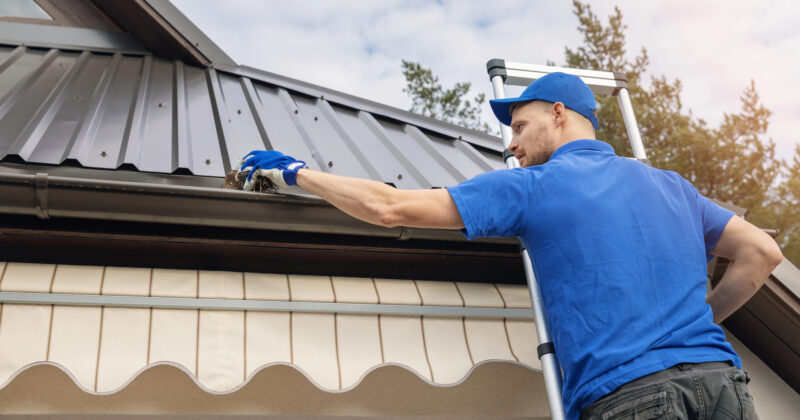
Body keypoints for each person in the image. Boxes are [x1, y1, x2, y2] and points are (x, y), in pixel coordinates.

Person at [237, 72, 782, 420]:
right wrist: (695, 322)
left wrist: (296, 173)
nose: (513, 146)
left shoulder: (534, 187)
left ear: (561, 115)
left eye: (520, 126)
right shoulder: (671, 185)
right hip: (722, 388)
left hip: (632, 397)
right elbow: (762, 253)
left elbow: (390, 208)